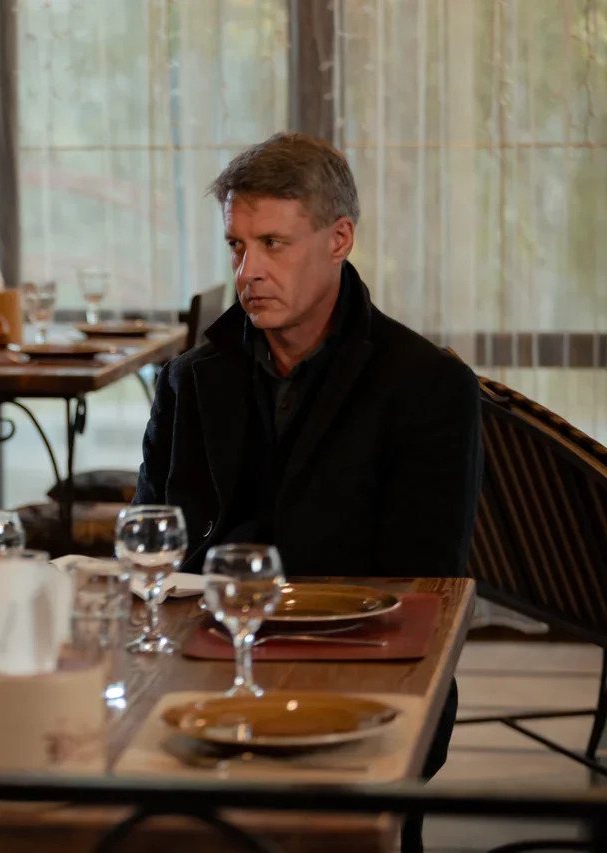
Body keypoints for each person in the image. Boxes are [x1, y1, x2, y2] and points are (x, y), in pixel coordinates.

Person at [135, 131, 482, 580]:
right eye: (237, 245)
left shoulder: (428, 387)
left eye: (272, 243)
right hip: (202, 621)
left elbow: (424, 588)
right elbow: (145, 555)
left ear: (339, 240)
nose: (248, 272)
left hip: (349, 624)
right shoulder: (185, 381)